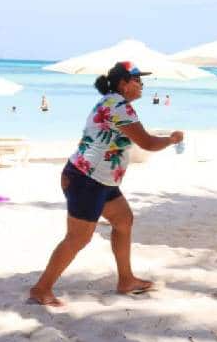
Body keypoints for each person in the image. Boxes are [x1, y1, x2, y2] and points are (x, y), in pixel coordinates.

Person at [28, 62, 184, 307]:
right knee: (78, 238)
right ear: (123, 83)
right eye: (137, 80)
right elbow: (147, 143)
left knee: (123, 220)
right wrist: (172, 139)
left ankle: (126, 280)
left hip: (100, 180)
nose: (142, 84)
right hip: (86, 179)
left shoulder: (113, 103)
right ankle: (41, 288)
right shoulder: (119, 106)